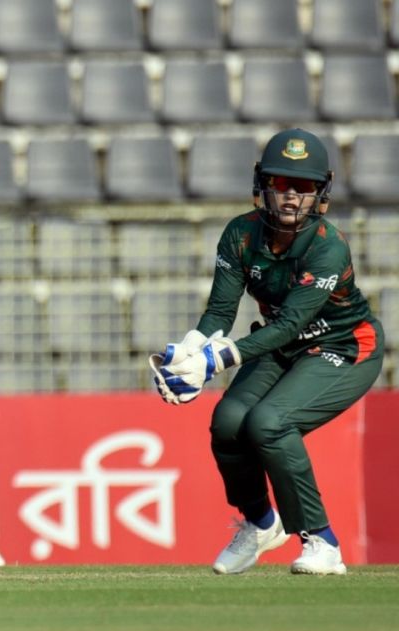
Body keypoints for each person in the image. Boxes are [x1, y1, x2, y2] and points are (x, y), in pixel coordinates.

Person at [151, 128, 384, 576]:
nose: (292, 196)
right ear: (262, 185)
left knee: (269, 423)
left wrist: (215, 361)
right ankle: (260, 524)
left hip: (343, 346)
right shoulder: (240, 234)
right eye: (281, 184)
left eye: (304, 187)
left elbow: (292, 323)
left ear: (321, 193)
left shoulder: (327, 248)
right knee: (227, 423)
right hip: (281, 345)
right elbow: (220, 310)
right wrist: (189, 353)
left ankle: (323, 542)